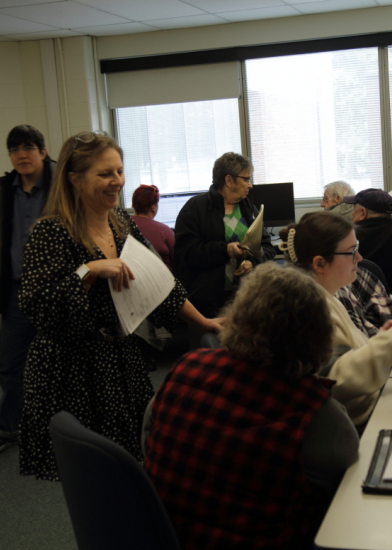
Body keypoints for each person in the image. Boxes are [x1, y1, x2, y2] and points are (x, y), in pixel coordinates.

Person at [19, 132, 220, 481]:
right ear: (75, 179)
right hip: (72, 369)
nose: (117, 182)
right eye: (105, 174)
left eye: (120, 171)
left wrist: (203, 321)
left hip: (118, 361)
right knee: (89, 473)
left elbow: (161, 286)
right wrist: (88, 270)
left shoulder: (122, 224)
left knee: (131, 463)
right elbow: (39, 307)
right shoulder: (50, 232)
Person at [143, 262, 359, 550]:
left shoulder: (186, 367)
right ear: (319, 335)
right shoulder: (315, 413)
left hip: (171, 536)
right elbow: (348, 490)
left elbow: (148, 439)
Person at [278, 211, 392, 426]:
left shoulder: (329, 294)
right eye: (352, 252)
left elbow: (349, 354)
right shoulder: (307, 308)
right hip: (357, 426)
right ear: (320, 264)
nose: (360, 259)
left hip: (369, 410)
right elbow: (338, 380)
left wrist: (382, 337)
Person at [0, 125, 56, 456]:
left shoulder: (62, 184)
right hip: (16, 292)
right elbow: (1, 234)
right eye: (14, 149)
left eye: (28, 147)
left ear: (42, 150)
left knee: (59, 362)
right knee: (11, 366)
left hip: (56, 290)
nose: (21, 155)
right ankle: (8, 427)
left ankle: (63, 430)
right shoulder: (4, 188)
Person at [173, 152, 275, 320]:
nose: (250, 185)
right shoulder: (195, 208)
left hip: (246, 300)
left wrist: (253, 262)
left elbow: (268, 248)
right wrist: (224, 250)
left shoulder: (249, 209)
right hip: (207, 305)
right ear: (229, 181)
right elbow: (186, 254)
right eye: (246, 179)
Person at [130, 184, 175, 270]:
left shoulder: (121, 225)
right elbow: (177, 262)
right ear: (153, 207)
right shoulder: (165, 231)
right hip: (162, 280)